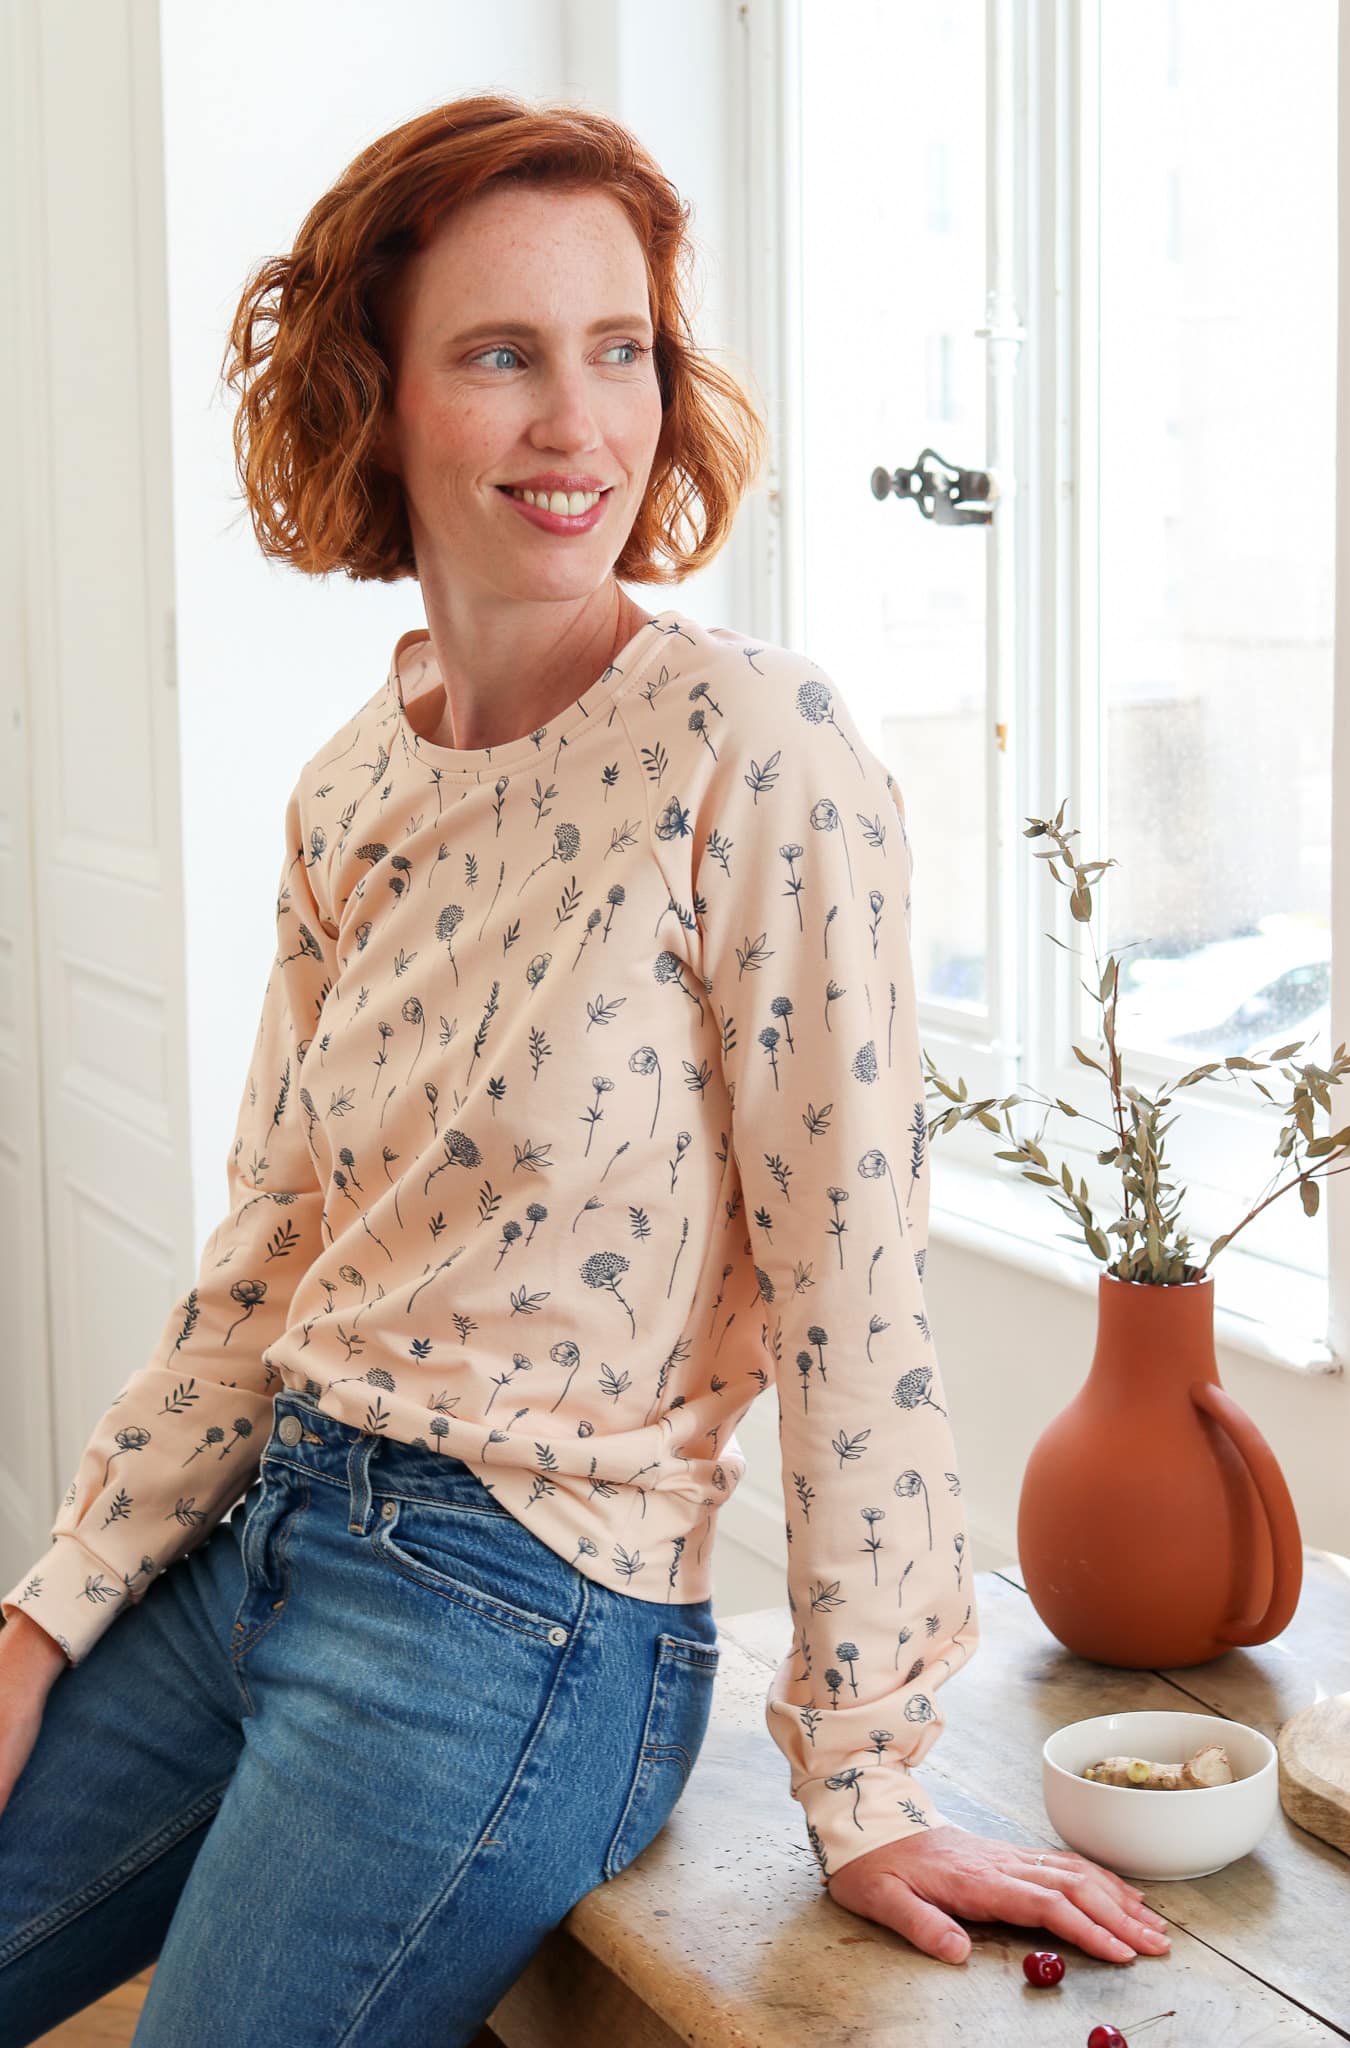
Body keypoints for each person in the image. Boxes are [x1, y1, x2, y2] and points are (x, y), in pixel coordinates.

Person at [0, 90, 1169, 2046]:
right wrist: (49, 1608)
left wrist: (867, 1771)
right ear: (374, 398)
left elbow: (852, 1282)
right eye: (500, 355)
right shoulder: (351, 786)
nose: (580, 424)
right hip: (264, 1537)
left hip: (517, 1618)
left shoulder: (755, 744)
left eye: (618, 349)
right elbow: (270, 1251)